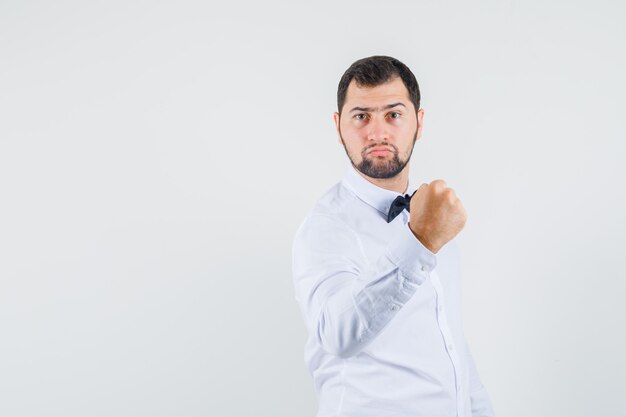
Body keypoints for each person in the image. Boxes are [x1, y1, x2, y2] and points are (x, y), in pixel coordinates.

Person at [291, 56, 496, 417]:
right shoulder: (324, 227)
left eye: (393, 115)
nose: (377, 133)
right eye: (361, 116)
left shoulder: (431, 214)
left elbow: (451, 345)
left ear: (418, 122)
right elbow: (337, 334)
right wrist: (419, 242)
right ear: (339, 126)